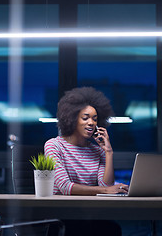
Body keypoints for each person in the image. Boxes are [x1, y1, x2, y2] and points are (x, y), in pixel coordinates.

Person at [44, 87, 128, 236]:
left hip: (89, 214)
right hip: (63, 215)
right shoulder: (54, 145)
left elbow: (106, 186)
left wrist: (108, 152)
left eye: (95, 119)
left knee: (113, 229)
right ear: (72, 118)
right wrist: (105, 190)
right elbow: (65, 187)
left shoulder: (98, 150)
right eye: (85, 118)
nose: (91, 123)